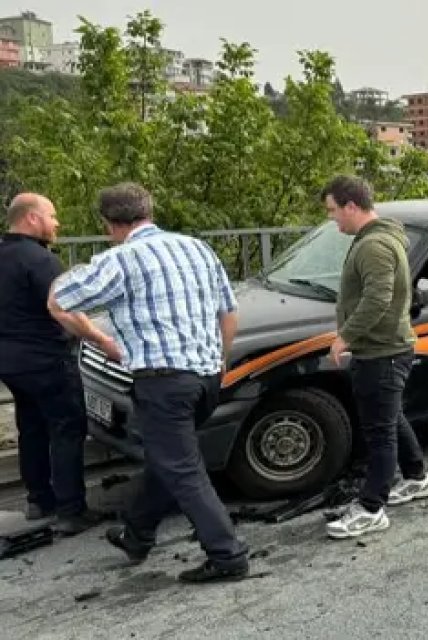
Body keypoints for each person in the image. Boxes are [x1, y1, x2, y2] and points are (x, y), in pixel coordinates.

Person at [48, 183, 250, 584]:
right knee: (169, 459)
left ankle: (228, 555)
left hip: (163, 383)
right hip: (206, 377)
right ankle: (137, 534)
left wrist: (102, 340)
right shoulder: (197, 248)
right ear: (149, 211)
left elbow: (57, 301)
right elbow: (229, 313)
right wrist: (219, 362)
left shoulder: (119, 259)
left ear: (108, 224)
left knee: (183, 467)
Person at [321, 175, 428, 540]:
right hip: (386, 349)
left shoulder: (373, 246)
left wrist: (346, 337)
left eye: (333, 211)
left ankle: (372, 509)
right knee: (391, 418)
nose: (332, 219)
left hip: (382, 352)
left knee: (379, 431)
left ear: (351, 206)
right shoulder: (380, 238)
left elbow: (378, 297)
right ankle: (417, 478)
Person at [0, 194, 103, 535]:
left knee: (31, 426)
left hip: (11, 363)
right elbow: (66, 309)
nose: (57, 223)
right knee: (67, 427)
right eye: (52, 215)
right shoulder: (40, 261)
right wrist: (98, 338)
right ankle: (71, 510)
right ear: (32, 219)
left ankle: (38, 500)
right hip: (46, 360)